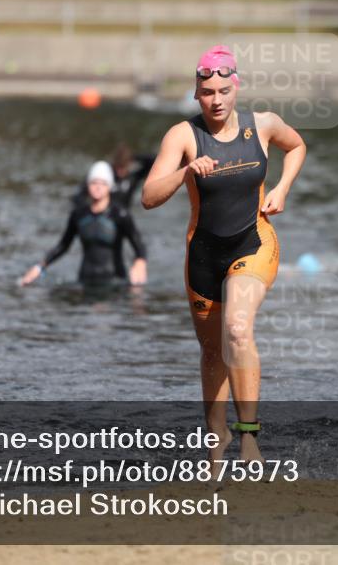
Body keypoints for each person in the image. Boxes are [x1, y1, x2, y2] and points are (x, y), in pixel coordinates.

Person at [141, 45, 306, 471]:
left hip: (253, 242)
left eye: (223, 90)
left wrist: (282, 188)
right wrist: (185, 172)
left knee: (237, 327)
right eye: (207, 92)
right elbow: (148, 197)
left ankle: (249, 438)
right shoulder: (182, 135)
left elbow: (298, 146)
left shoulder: (263, 125)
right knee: (213, 351)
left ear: (236, 88)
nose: (216, 100)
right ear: (196, 95)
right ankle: (218, 437)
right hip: (202, 256)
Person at [21, 161, 148, 287]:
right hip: (85, 280)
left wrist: (140, 262)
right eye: (94, 183)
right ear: (88, 185)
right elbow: (63, 245)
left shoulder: (120, 214)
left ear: (109, 186)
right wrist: (40, 267)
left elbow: (138, 243)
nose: (98, 187)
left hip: (115, 281)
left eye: (103, 183)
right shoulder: (78, 214)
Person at [110, 143, 156, 211]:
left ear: (128, 164)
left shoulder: (133, 177)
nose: (120, 172)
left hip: (125, 213)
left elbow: (154, 160)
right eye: (118, 167)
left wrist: (133, 156)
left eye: (123, 167)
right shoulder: (108, 175)